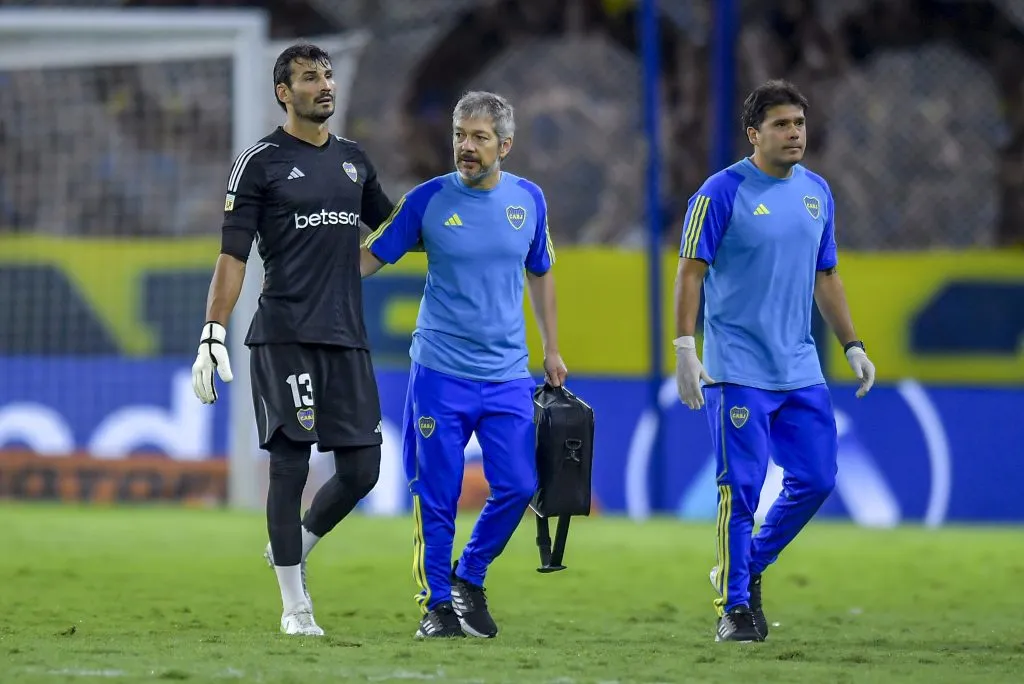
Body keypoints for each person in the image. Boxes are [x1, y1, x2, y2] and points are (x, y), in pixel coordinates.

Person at [189, 44, 395, 636]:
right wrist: (212, 332)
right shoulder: (259, 162)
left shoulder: (355, 162)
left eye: (327, 75)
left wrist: (450, 218)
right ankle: (294, 606)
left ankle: (294, 546)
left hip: (346, 336)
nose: (324, 85)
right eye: (310, 78)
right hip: (284, 335)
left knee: (363, 470)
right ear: (284, 92)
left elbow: (394, 227)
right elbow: (232, 256)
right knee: (289, 463)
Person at [672, 79, 876, 643]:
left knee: (816, 479)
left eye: (799, 124)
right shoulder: (719, 193)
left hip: (800, 368)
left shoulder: (817, 193)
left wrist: (853, 345)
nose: (794, 134)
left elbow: (826, 274)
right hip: (737, 369)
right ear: (754, 134)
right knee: (741, 489)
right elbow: (691, 271)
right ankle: (735, 606)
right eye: (782, 125)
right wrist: (686, 347)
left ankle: (749, 565)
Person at [359, 91, 567, 640]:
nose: (466, 147)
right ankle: (435, 605)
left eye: (478, 137)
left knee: (520, 485)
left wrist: (551, 348)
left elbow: (541, 271)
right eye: (459, 135)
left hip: (507, 376)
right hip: (440, 373)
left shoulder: (529, 200)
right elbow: (369, 258)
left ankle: (468, 576)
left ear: (505, 144)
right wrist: (310, 261)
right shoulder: (427, 200)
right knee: (439, 493)